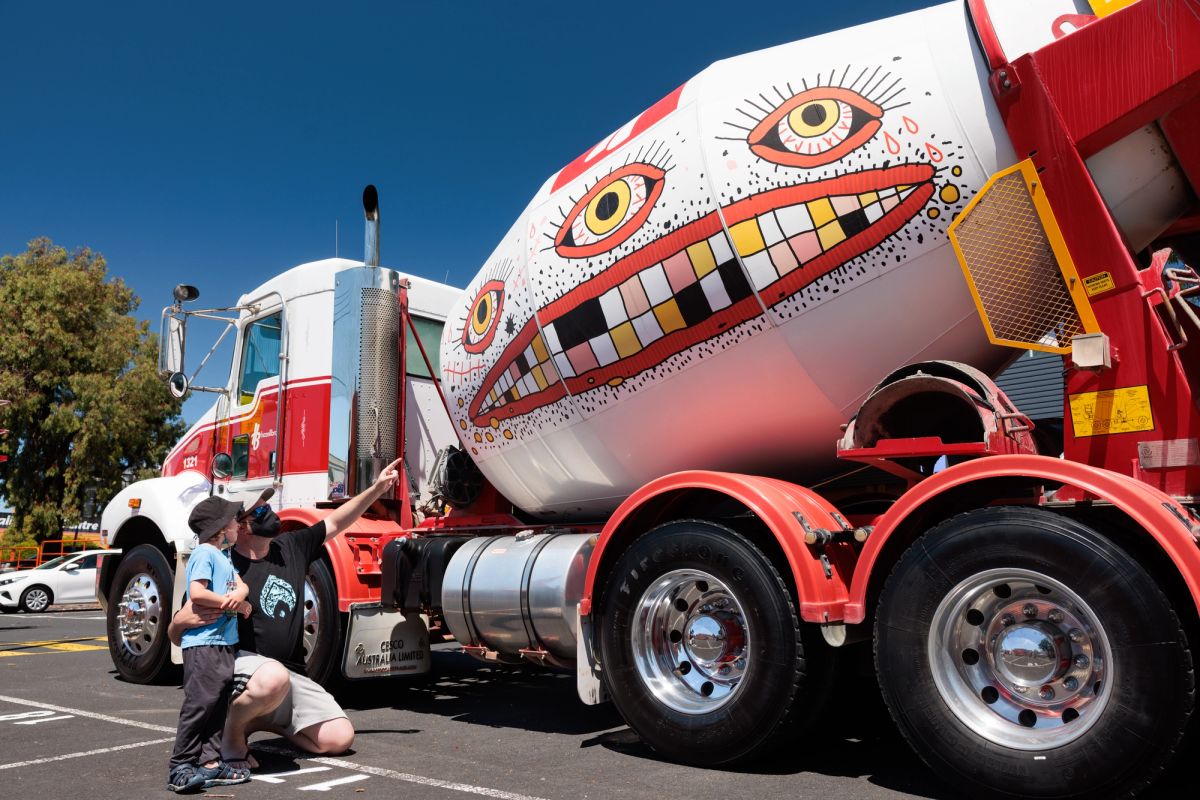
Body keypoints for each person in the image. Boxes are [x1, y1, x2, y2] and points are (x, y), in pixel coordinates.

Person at [168, 458, 402, 768]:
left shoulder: (291, 546)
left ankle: (260, 719)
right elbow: (180, 630)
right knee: (272, 678)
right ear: (241, 526)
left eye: (268, 505)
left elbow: (336, 522)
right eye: (261, 511)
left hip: (289, 675)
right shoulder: (223, 566)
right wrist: (177, 623)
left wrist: (375, 490)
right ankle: (231, 734)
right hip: (245, 673)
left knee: (338, 737)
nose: (271, 513)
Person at [167, 496, 254, 793]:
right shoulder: (205, 552)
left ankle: (210, 763)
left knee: (217, 705)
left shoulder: (224, 556)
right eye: (232, 521)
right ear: (219, 528)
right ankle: (181, 764)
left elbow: (241, 584)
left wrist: (240, 597)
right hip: (203, 644)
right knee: (200, 704)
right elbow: (196, 593)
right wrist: (229, 602)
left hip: (222, 642)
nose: (237, 525)